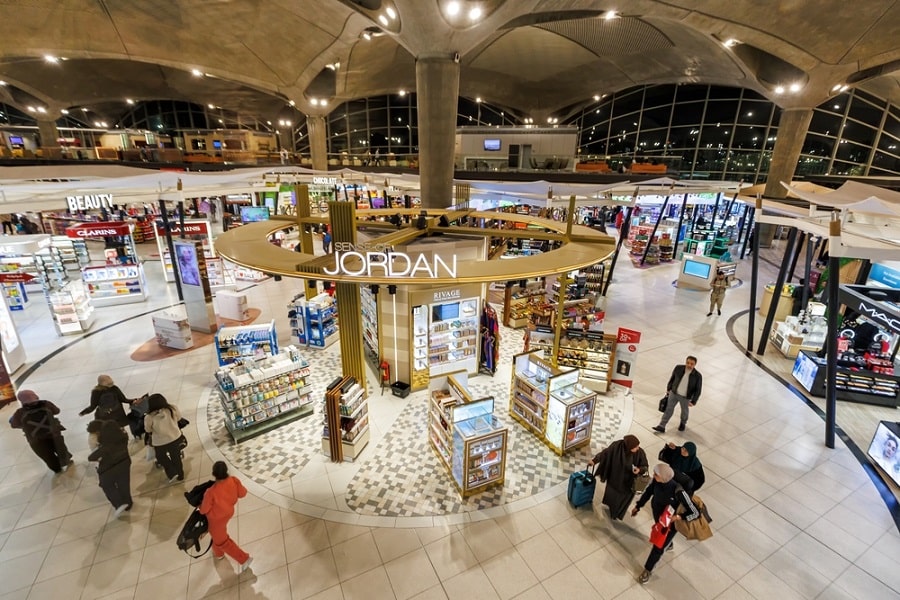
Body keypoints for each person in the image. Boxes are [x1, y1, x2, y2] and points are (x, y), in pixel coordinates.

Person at [631, 463, 700, 584]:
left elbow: (695, 512)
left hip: (670, 524)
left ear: (664, 477)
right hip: (659, 517)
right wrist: (638, 506)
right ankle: (669, 543)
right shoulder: (657, 482)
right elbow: (648, 493)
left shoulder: (678, 491)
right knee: (662, 542)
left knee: (658, 547)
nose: (653, 476)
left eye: (656, 474)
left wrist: (678, 517)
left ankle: (648, 570)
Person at [199, 461, 253, 572]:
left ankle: (244, 558)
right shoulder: (233, 480)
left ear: (214, 474)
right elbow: (243, 493)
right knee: (217, 535)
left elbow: (204, 510)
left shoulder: (211, 492)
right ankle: (219, 553)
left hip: (215, 520)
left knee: (222, 541)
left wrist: (200, 505)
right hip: (228, 514)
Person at [9, 389, 72, 474]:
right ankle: (66, 460)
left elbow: (14, 424)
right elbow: (57, 411)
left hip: (35, 439)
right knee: (60, 447)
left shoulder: (20, 412)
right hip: (53, 433)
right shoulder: (46, 404)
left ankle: (56, 468)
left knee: (46, 455)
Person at [588, 434, 649, 520]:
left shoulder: (640, 453)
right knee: (612, 495)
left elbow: (645, 466)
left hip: (629, 483)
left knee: (622, 501)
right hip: (615, 478)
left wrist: (639, 470)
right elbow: (605, 453)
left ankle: (616, 514)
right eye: (635, 447)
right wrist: (595, 460)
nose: (637, 448)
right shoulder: (616, 446)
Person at [88, 420, 133, 517]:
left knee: (107, 486)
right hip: (124, 463)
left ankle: (119, 503)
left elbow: (91, 457)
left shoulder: (105, 447)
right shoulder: (123, 438)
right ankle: (128, 503)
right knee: (124, 484)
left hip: (108, 469)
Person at [654, 356, 702, 433]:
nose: (689, 365)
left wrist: (693, 401)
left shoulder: (697, 376)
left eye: (691, 364)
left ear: (695, 364)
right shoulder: (678, 368)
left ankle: (683, 423)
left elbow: (698, 390)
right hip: (674, 393)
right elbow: (672, 378)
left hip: (686, 397)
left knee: (684, 412)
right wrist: (669, 388)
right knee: (668, 409)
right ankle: (662, 426)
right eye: (688, 363)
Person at [143, 393, 185, 483]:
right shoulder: (172, 409)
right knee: (176, 457)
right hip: (175, 437)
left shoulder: (149, 417)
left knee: (161, 457)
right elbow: (179, 418)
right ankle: (181, 475)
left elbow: (148, 429)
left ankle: (172, 473)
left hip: (160, 442)